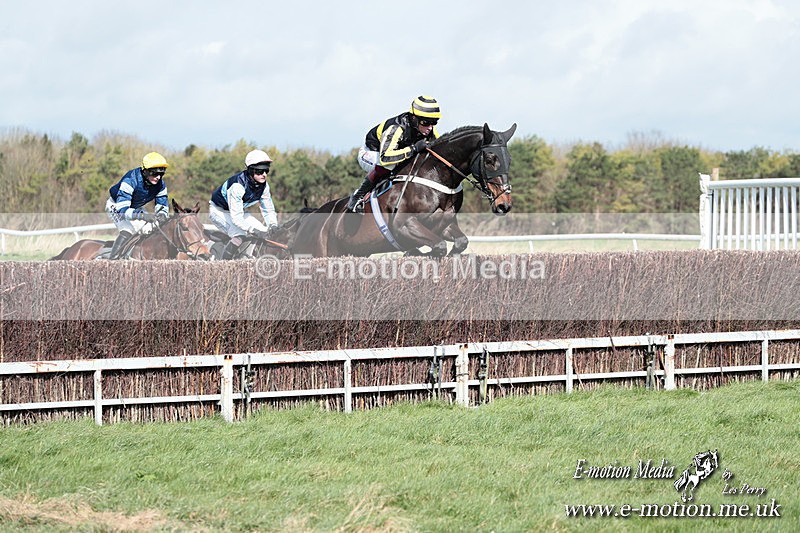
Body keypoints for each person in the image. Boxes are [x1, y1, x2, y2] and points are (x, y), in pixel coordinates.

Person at [347, 95, 442, 213]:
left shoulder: (428, 129)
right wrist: (413, 149)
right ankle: (358, 195)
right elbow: (386, 158)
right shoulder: (397, 128)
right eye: (426, 122)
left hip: (392, 154)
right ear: (413, 118)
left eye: (434, 122)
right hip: (371, 154)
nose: (430, 128)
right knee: (391, 165)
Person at [105, 151, 170, 259]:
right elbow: (122, 210)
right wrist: (142, 216)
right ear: (145, 171)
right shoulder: (130, 179)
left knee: (153, 229)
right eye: (155, 173)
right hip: (117, 206)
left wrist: (162, 216)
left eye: (161, 174)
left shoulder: (161, 185)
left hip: (135, 208)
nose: (158, 177)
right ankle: (112, 263)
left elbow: (162, 205)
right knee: (128, 230)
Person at [209, 149, 278, 243]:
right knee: (240, 234)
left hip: (238, 212)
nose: (264, 175)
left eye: (266, 170)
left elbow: (268, 210)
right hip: (218, 211)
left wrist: (273, 225)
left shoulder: (264, 186)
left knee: (266, 232)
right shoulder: (237, 186)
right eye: (260, 171)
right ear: (250, 170)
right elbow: (236, 218)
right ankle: (224, 258)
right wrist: (252, 230)